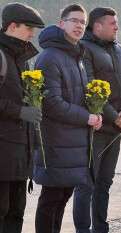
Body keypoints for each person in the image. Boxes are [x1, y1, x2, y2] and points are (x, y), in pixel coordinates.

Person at [33, 4, 103, 233]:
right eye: (74, 21)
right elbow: (51, 103)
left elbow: (78, 98)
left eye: (83, 23)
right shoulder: (50, 57)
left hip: (74, 142)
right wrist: (87, 117)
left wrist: (96, 112)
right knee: (51, 199)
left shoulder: (76, 56)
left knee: (63, 197)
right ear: (61, 23)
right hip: (56, 141)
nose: (79, 26)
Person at [73, 7, 121, 233]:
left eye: (117, 23)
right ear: (98, 26)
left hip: (116, 128)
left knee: (105, 182)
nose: (117, 27)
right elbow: (89, 87)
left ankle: (101, 228)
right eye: (112, 23)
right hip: (96, 128)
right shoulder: (84, 48)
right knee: (87, 184)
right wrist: (116, 116)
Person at [0, 3, 44, 233]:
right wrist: (19, 111)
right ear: (12, 26)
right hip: (3, 151)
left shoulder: (22, 58)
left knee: (16, 212)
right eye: (29, 27)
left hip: (19, 152)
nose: (32, 33)